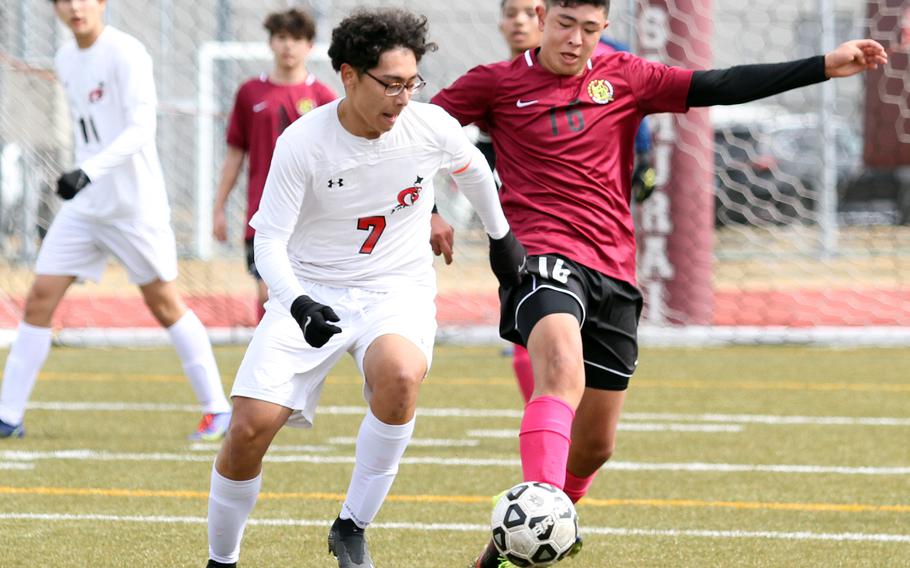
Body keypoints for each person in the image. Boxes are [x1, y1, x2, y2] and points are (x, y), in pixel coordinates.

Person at [430, 1, 887, 566]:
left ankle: (515, 541)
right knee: (560, 374)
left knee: (596, 446)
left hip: (615, 271)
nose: (575, 40)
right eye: (566, 25)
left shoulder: (626, 77)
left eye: (589, 30)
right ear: (545, 19)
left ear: (605, 29)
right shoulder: (495, 83)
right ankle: (541, 510)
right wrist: (426, 206)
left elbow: (720, 83)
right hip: (541, 256)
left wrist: (822, 65)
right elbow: (419, 132)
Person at [204, 7, 527, 568]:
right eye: (390, 85)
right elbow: (268, 243)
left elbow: (472, 168)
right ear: (349, 77)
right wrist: (300, 302)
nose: (403, 98)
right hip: (309, 290)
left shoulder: (428, 126)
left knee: (400, 376)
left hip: (394, 288)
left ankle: (352, 525)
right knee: (249, 431)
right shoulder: (303, 143)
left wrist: (503, 241)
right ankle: (222, 558)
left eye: (412, 83)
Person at [0, 0, 233, 441]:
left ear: (102, 3)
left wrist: (88, 171)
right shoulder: (67, 58)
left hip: (134, 207)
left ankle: (217, 409)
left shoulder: (127, 52)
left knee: (164, 304)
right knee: (39, 299)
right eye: (63, 1)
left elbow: (141, 128)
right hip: (86, 208)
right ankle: (8, 416)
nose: (74, 8)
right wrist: (84, 176)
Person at [212, 8, 336, 322]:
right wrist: (218, 208)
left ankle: (308, 364)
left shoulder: (323, 97)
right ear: (270, 43)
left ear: (309, 45)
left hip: (311, 213)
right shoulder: (250, 92)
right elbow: (235, 155)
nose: (288, 46)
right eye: (282, 37)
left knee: (311, 294)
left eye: (297, 38)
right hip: (263, 211)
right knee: (269, 293)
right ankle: (269, 363)